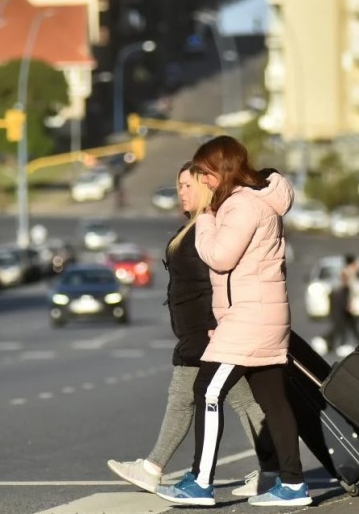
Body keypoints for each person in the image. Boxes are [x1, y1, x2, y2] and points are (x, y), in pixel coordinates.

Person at [155, 136, 312, 507]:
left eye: (204, 173)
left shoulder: (241, 206)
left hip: (250, 317)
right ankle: (292, 484)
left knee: (207, 390)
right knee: (273, 400)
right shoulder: (253, 202)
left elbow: (220, 258)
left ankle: (201, 482)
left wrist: (205, 219)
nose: (202, 181)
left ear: (222, 170)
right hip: (260, 315)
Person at [107, 162, 280, 497]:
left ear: (206, 187)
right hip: (199, 332)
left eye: (188, 186)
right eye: (179, 187)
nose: (181, 193)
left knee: (192, 397)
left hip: (207, 333)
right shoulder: (198, 225)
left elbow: (214, 280)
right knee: (238, 399)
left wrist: (217, 324)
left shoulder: (209, 224)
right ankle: (273, 470)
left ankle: (154, 468)